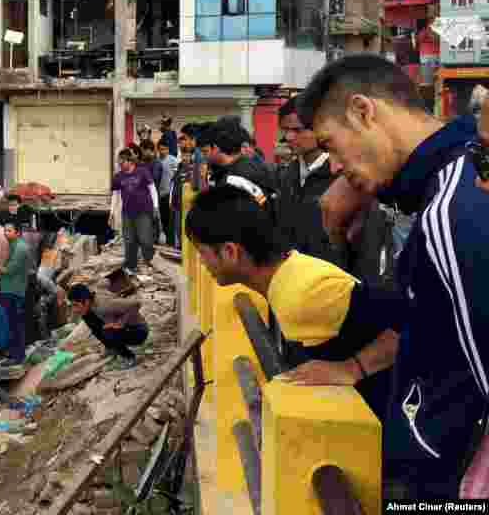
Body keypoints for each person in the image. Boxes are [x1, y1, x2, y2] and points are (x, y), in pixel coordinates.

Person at [296, 53, 489, 498]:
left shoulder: (451, 215)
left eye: (331, 145)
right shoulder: (454, 180)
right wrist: (355, 367)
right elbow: (430, 315)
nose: (335, 167)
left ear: (363, 112)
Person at [185, 186, 403, 423]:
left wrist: (352, 368)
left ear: (230, 252)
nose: (202, 262)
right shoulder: (287, 275)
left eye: (202, 252)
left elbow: (415, 318)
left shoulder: (305, 293)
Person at [276, 96, 343, 266]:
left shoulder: (344, 176)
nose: (289, 137)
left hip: (334, 276)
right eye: (285, 130)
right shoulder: (287, 176)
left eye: (297, 130)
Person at [65, 283, 149, 371]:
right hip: (123, 327)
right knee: (87, 317)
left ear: (86, 301)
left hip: (138, 331)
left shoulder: (104, 305)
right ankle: (110, 347)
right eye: (73, 305)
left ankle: (129, 357)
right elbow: (105, 282)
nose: (74, 309)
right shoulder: (91, 301)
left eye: (76, 305)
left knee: (108, 331)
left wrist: (120, 323)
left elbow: (136, 304)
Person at [0, 221, 33, 367]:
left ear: (17, 232)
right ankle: (15, 353)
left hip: (13, 291)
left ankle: (17, 356)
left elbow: (10, 270)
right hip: (8, 289)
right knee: (11, 323)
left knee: (14, 324)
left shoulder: (20, 248)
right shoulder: (13, 246)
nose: (6, 233)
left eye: (9, 231)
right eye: (5, 230)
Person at [111, 148, 157, 273]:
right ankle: (131, 265)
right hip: (127, 212)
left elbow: (152, 189)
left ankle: (150, 263)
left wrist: (155, 206)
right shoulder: (118, 177)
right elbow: (115, 195)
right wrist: (112, 212)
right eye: (119, 162)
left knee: (145, 239)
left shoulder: (142, 172)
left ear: (130, 161)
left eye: (122, 162)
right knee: (129, 240)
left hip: (143, 211)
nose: (120, 164)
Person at [156, 141, 179, 242]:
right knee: (161, 217)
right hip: (159, 193)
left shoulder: (173, 160)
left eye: (164, 149)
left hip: (169, 193)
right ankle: (164, 238)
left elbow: (176, 176)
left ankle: (170, 239)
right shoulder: (157, 160)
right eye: (161, 149)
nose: (162, 151)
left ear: (168, 150)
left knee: (169, 217)